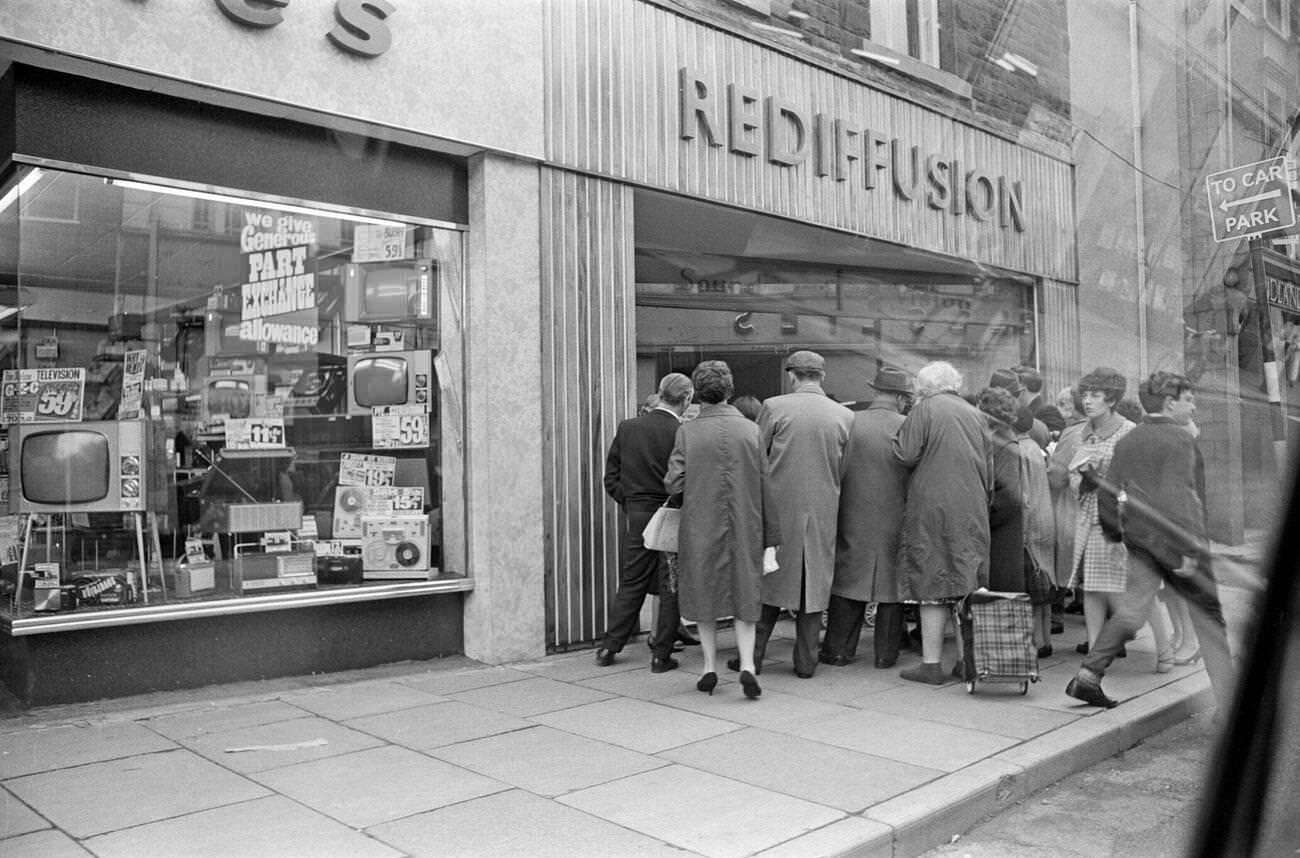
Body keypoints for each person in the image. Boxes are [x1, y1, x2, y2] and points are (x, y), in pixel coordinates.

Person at [1068, 371, 1234, 709]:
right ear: (1170, 403)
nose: (1193, 406)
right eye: (1189, 399)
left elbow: (1107, 492)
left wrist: (1115, 535)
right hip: (1179, 543)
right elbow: (1179, 497)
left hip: (1141, 542)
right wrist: (1188, 549)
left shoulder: (1129, 440)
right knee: (1210, 619)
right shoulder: (1179, 439)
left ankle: (1088, 675)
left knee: (1131, 611)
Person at [729, 350, 852, 679]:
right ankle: (806, 662)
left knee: (770, 581)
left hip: (779, 510)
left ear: (792, 376)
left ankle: (752, 656)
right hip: (824, 512)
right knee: (812, 590)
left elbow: (757, 456)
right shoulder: (844, 416)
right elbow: (845, 468)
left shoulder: (774, 406)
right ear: (822, 377)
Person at [664, 361, 779, 700]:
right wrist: (772, 536)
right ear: (729, 389)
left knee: (704, 594)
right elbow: (765, 483)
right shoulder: (751, 430)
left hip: (701, 522)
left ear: (698, 393)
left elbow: (673, 482)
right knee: (746, 592)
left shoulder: (688, 432)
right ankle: (746, 664)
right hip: (745, 522)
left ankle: (709, 667)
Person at [893, 361, 991, 684]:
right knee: (965, 581)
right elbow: (989, 467)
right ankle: (967, 662)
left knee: (932, 580)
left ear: (925, 387)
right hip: (972, 505)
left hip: (932, 505)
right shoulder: (976, 414)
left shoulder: (926, 409)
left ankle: (931, 664)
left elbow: (905, 454)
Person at [596, 373, 693, 672]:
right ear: (687, 399)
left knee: (632, 581)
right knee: (670, 584)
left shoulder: (629, 428)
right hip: (671, 512)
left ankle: (610, 646)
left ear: (660, 393)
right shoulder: (684, 432)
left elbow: (610, 476)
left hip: (637, 513)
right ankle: (660, 654)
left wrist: (629, 501)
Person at [822, 366, 912, 669]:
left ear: (875, 391)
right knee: (890, 584)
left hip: (851, 510)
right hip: (895, 513)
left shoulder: (851, 422)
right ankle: (886, 654)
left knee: (848, 579)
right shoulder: (907, 425)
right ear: (901, 397)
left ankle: (837, 650)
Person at [1065, 368, 1135, 658]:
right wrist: (1082, 478)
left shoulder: (1127, 432)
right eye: (1085, 395)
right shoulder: (1085, 431)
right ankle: (1096, 648)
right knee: (1092, 586)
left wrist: (1101, 480)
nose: (1088, 401)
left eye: (1095, 395)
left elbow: (1135, 480)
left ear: (1112, 399)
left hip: (1116, 519)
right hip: (1089, 517)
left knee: (1122, 590)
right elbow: (1073, 478)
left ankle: (1164, 645)